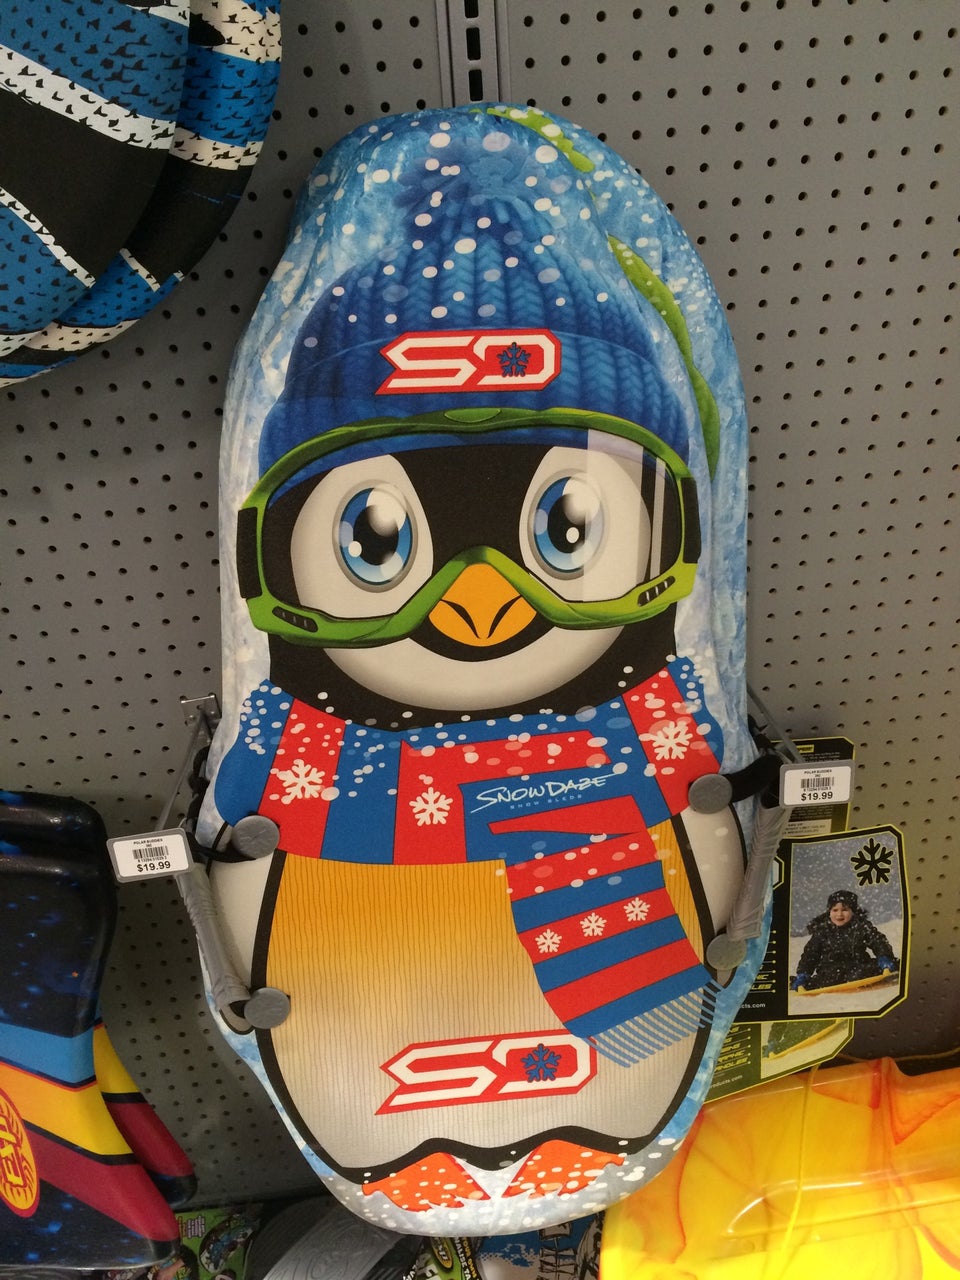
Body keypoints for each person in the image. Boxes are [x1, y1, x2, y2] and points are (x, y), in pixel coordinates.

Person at [791, 890, 898, 991]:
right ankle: (799, 982)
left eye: (845, 910)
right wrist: (803, 973)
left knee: (859, 973)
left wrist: (884, 956)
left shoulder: (860, 926)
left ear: (853, 911)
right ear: (829, 912)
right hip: (830, 970)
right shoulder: (822, 931)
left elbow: (878, 941)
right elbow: (810, 955)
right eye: (835, 910)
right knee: (830, 979)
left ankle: (893, 965)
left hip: (858, 965)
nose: (839, 914)